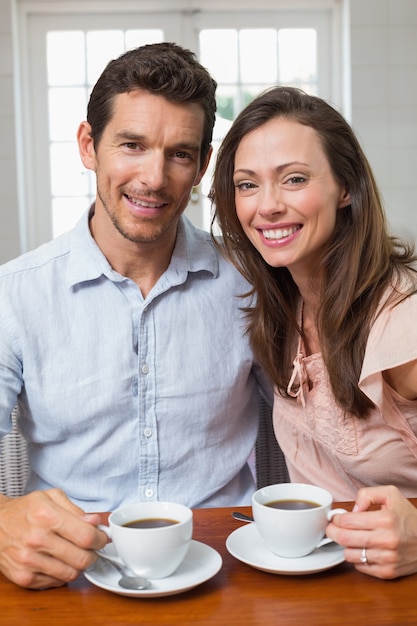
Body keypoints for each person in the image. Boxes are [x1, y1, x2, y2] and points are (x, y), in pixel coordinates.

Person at [0, 42, 270, 589]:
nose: (153, 177)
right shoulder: (15, 295)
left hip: (229, 562)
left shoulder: (255, 284)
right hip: (67, 567)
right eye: (132, 145)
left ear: (202, 166)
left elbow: (325, 427)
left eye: (179, 153)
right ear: (88, 145)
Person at [211, 85, 417, 579]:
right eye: (247, 184)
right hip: (328, 581)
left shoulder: (402, 325)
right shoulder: (282, 308)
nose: (268, 206)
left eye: (295, 178)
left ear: (346, 188)